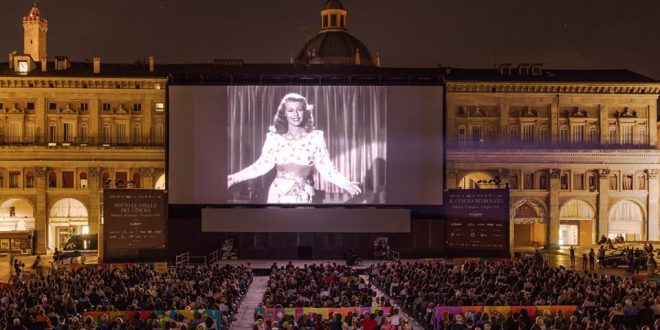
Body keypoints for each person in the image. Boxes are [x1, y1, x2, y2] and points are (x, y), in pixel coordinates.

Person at [228, 93, 361, 203]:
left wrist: (346, 184)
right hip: (278, 195)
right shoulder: (274, 138)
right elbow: (261, 165)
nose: (295, 114)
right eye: (290, 110)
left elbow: (327, 169)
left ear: (305, 112)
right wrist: (234, 178)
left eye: (299, 109)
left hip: (305, 195)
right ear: (284, 113)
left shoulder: (315, 138)